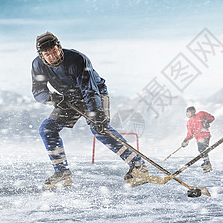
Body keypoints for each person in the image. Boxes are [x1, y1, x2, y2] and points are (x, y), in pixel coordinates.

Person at [31, 32, 148, 189]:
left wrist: (97, 115)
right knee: (47, 129)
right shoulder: (37, 65)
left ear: (59, 47)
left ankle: (138, 165)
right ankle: (62, 171)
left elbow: (90, 90)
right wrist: (53, 99)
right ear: (41, 56)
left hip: (95, 94)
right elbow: (38, 91)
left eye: (54, 51)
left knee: (100, 129)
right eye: (47, 54)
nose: (53, 56)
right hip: (69, 100)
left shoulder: (77, 59)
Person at [181, 106, 215, 173]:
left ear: (193, 112)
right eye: (187, 112)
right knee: (201, 150)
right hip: (198, 138)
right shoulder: (189, 122)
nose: (188, 114)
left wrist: (207, 121)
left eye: (189, 112)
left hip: (205, 135)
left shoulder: (201, 114)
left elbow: (212, 117)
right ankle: (206, 163)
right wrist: (185, 140)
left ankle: (207, 163)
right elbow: (190, 134)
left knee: (201, 149)